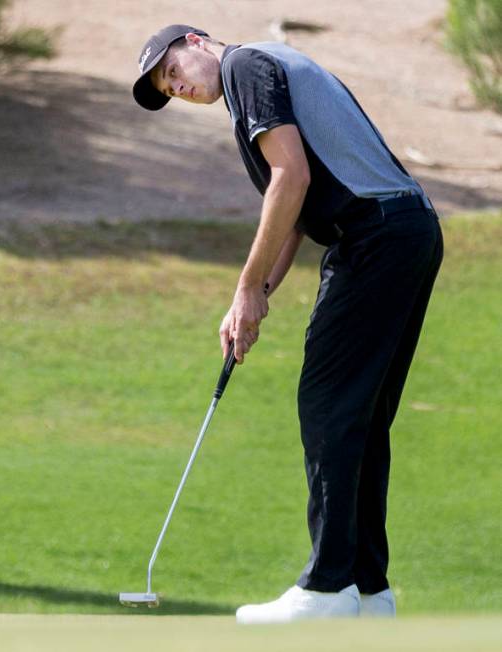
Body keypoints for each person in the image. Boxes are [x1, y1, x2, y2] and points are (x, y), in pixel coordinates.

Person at [132, 25, 443, 624]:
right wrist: (256, 297)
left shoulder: (245, 67)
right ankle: (368, 591)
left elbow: (291, 179)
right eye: (170, 89)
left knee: (327, 404)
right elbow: (295, 211)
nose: (180, 89)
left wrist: (246, 287)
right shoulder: (264, 72)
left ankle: (328, 588)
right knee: (360, 415)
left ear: (197, 41)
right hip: (408, 230)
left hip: (375, 237)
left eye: (174, 71)